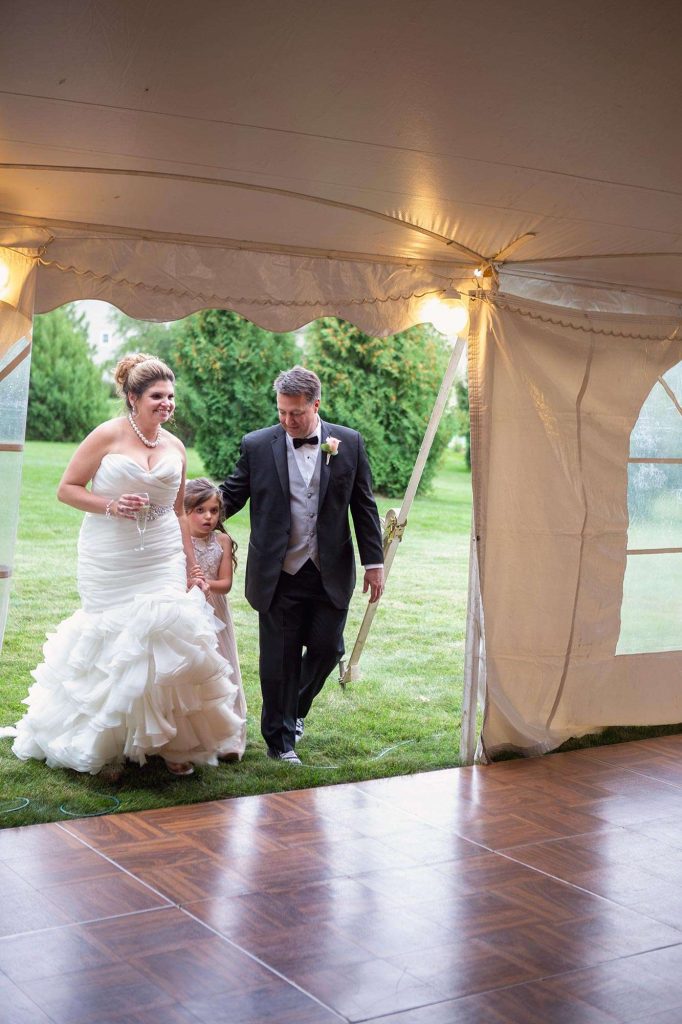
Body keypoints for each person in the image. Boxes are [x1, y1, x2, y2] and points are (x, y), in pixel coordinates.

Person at [12, 353, 243, 778]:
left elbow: (178, 512)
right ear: (133, 397)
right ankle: (106, 746)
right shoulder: (107, 435)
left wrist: (191, 566)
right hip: (110, 553)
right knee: (114, 641)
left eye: (171, 396)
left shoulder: (175, 446)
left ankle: (172, 743)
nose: (166, 403)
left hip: (161, 551)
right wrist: (111, 504)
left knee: (167, 634)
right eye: (157, 396)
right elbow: (67, 488)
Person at [220, 365, 384, 765]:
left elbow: (363, 505)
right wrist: (196, 517)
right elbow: (232, 495)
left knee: (328, 648)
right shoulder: (258, 445)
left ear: (316, 404)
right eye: (281, 412)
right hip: (278, 572)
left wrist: (374, 562)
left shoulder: (349, 442)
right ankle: (280, 741)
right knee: (280, 658)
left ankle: (291, 709)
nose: (287, 421)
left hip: (330, 569)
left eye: (296, 413)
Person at [184, 477, 247, 761]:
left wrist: (206, 583)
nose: (208, 517)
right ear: (185, 512)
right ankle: (194, 735)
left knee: (222, 666)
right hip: (187, 611)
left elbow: (226, 584)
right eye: (200, 510)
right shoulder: (177, 540)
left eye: (213, 510)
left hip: (216, 611)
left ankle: (229, 737)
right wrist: (189, 583)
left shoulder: (222, 541)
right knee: (194, 667)